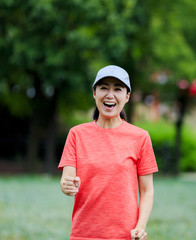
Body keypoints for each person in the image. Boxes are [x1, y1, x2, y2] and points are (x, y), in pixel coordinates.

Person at [58, 65, 158, 240]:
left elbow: (147, 190)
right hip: (83, 234)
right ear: (94, 93)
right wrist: (66, 186)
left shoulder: (140, 137)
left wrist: (140, 228)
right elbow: (68, 179)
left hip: (125, 236)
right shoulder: (76, 134)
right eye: (104, 88)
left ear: (127, 97)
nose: (110, 95)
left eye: (117, 89)